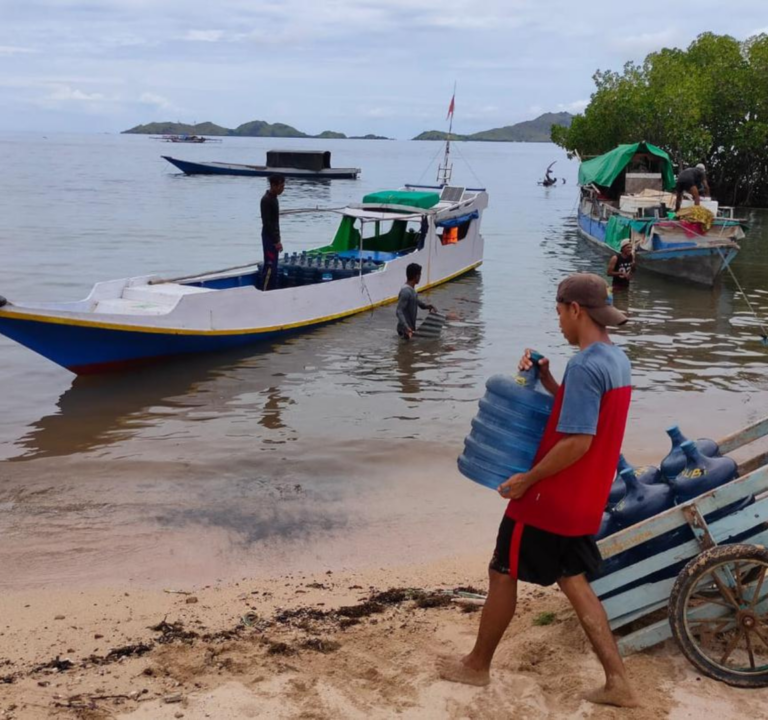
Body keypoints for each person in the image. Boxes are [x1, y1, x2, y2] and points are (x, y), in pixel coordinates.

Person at [438, 273, 639, 709]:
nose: (561, 325)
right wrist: (549, 380)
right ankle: (617, 681)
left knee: (502, 570)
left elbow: (577, 441)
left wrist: (527, 481)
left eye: (560, 314)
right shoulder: (614, 359)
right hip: (585, 497)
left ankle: (476, 666)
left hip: (550, 500)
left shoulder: (585, 365)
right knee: (573, 578)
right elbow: (585, 415)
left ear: (575, 310)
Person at [396, 263, 435, 339]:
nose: (420, 277)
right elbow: (399, 311)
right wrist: (406, 327)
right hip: (405, 330)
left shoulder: (412, 290)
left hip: (409, 329)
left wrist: (427, 306)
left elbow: (417, 302)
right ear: (416, 276)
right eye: (420, 275)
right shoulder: (406, 291)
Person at [260, 174, 285, 290]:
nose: (282, 189)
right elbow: (267, 223)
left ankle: (272, 289)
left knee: (274, 267)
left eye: (283, 186)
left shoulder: (274, 199)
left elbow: (275, 223)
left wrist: (278, 239)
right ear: (273, 185)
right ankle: (265, 290)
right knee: (269, 266)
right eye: (280, 186)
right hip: (269, 238)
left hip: (274, 237)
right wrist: (276, 241)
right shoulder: (266, 200)